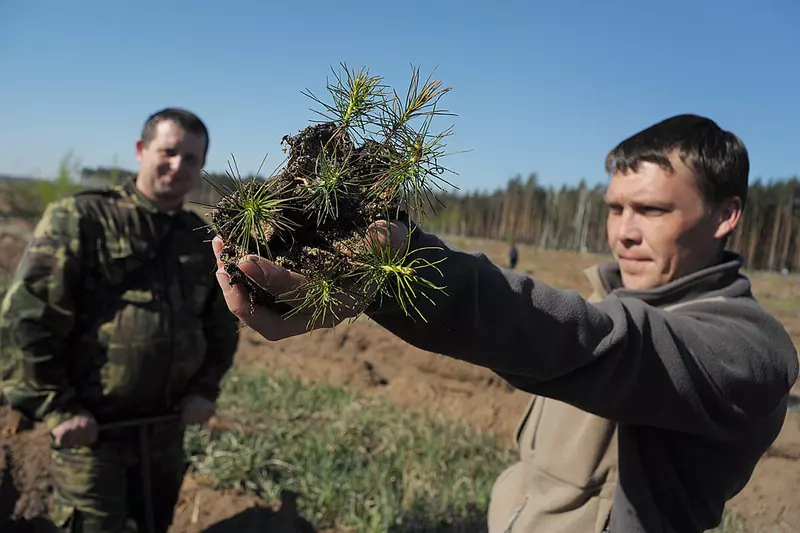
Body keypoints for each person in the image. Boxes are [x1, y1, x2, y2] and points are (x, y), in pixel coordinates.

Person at [208, 114, 798, 533]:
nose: (624, 232)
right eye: (616, 208)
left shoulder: (746, 350)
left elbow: (595, 342)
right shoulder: (601, 297)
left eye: (652, 210)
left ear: (726, 215)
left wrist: (396, 274)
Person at [0, 108, 240, 533]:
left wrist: (205, 390)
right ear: (141, 150)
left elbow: (221, 326)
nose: (178, 165)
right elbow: (28, 317)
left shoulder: (201, 239)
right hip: (91, 433)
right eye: (168, 152)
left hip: (165, 431)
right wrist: (57, 408)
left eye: (191, 159)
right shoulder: (83, 218)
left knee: (153, 523)